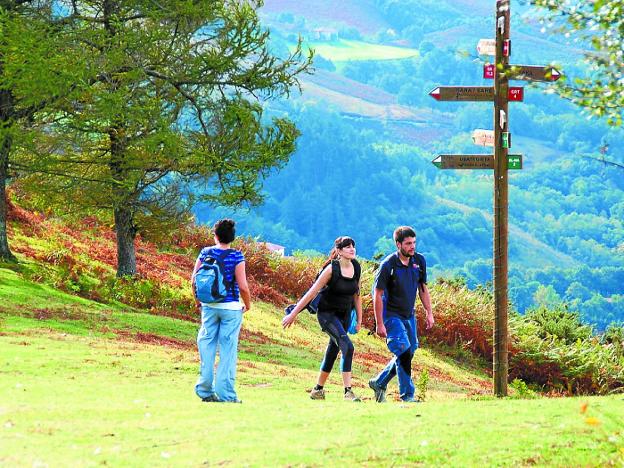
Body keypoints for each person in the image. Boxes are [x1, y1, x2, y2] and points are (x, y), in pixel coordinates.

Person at [282, 236, 363, 401]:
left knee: (333, 351)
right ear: (339, 251)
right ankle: (348, 392)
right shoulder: (331, 269)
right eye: (347, 247)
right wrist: (293, 313)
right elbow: (312, 292)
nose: (352, 249)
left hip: (345, 315)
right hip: (327, 315)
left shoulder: (356, 267)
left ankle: (317, 390)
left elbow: (357, 295)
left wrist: (360, 319)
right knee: (348, 346)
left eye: (353, 246)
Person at [368, 226, 434, 403]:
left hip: (409, 315)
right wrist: (379, 323)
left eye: (414, 242)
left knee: (410, 350)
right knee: (403, 351)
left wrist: (429, 312)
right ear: (398, 244)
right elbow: (378, 294)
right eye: (408, 244)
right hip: (391, 315)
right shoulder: (388, 265)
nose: (412, 247)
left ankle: (379, 382)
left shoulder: (419, 261)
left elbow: (422, 288)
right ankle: (408, 396)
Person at [191, 218, 251, 403]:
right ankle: (226, 395)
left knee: (206, 347)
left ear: (215, 235)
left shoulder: (205, 252)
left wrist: (198, 300)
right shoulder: (236, 256)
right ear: (232, 237)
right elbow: (243, 286)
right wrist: (247, 304)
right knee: (227, 350)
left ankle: (205, 390)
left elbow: (193, 280)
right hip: (231, 308)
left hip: (209, 307)